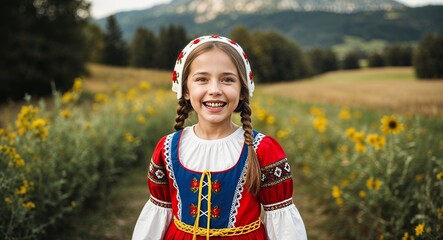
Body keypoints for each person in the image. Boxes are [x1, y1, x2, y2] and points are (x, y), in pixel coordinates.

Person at [132, 35, 307, 240]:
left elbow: (282, 223)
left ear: (243, 90)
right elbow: (158, 215)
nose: (214, 90)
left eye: (227, 79)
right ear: (185, 90)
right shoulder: (167, 148)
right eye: (201, 79)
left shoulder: (263, 150)